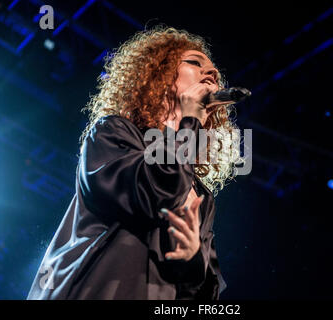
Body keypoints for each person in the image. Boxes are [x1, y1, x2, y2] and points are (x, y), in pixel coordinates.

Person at [27, 26, 243, 300]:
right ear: (159, 75)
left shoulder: (201, 196)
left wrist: (190, 261)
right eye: (194, 62)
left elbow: (205, 297)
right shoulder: (113, 134)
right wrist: (189, 123)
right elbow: (154, 191)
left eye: (214, 71)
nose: (211, 73)